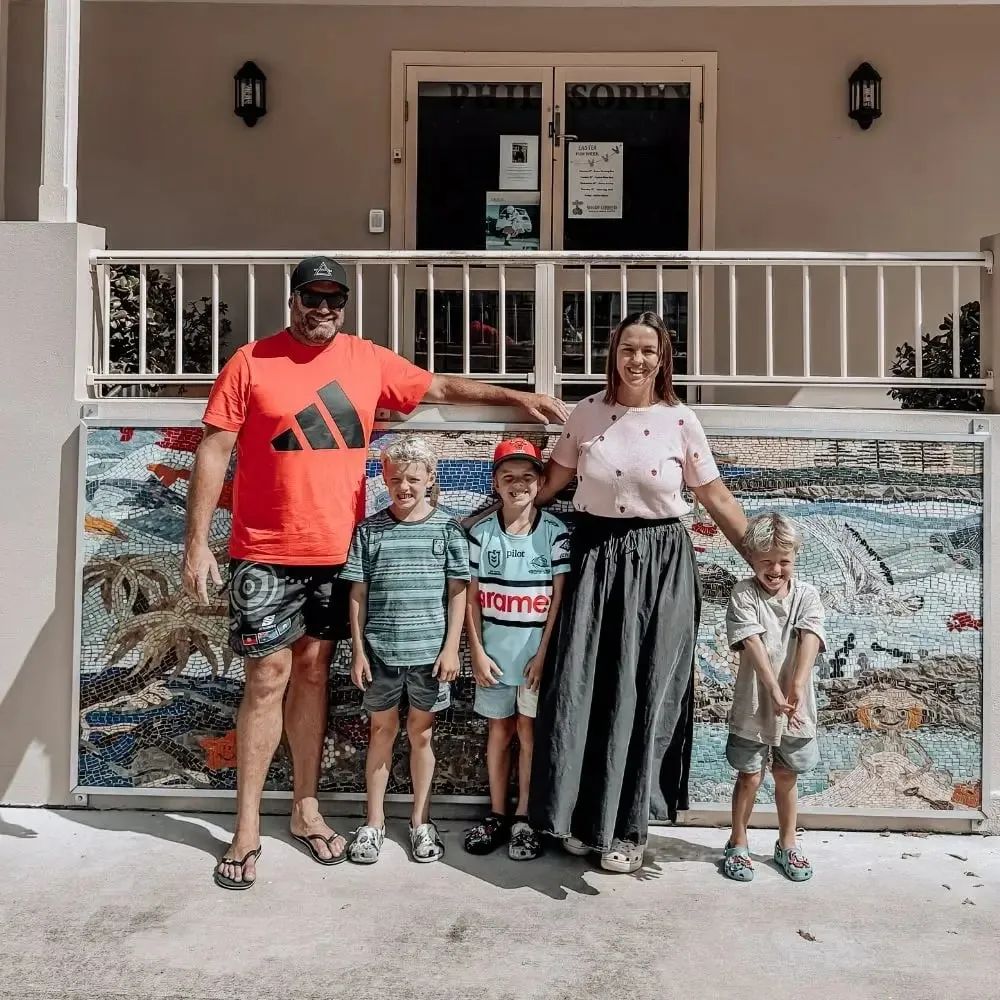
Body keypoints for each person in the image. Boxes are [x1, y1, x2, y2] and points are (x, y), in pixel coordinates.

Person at [180, 255, 566, 890]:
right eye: (312, 297)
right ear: (293, 299)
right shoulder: (250, 362)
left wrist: (515, 396)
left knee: (310, 674)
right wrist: (198, 543)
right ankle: (245, 827)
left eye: (334, 299)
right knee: (266, 678)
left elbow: (440, 388)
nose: (323, 309)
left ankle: (305, 808)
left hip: (339, 552)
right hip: (264, 548)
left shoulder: (367, 360)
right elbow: (215, 448)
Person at [528, 310, 749, 874]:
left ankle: (630, 828)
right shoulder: (586, 413)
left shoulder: (681, 421)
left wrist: (764, 559)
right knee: (586, 685)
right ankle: (580, 821)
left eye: (649, 350)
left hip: (661, 566)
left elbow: (717, 499)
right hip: (596, 559)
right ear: (613, 353)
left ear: (663, 358)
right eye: (629, 348)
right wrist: (490, 518)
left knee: (648, 689)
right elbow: (550, 485)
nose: (638, 360)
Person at [342, 435, 469, 865]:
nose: (404, 487)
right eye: (395, 478)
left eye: (414, 478)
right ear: (384, 478)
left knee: (422, 734)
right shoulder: (370, 531)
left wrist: (452, 649)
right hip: (381, 654)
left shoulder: (448, 528)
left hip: (429, 657)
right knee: (381, 732)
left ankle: (420, 821)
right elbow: (357, 594)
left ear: (431, 478)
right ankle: (373, 822)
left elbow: (457, 592)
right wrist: (358, 651)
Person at [463, 438, 570, 861]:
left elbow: (558, 599)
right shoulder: (480, 534)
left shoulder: (555, 534)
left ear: (541, 481)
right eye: (508, 477)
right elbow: (469, 598)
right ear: (495, 483)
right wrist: (476, 651)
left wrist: (543, 655)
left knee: (528, 733)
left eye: (528, 476)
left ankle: (525, 817)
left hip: (532, 664)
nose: (518, 484)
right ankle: (496, 814)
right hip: (494, 659)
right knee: (499, 731)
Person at [722, 512, 825, 883]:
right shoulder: (743, 593)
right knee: (749, 774)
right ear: (752, 559)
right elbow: (753, 644)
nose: (776, 569)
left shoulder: (807, 595)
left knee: (786, 774)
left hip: (797, 706)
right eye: (766, 561)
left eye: (784, 561)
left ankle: (788, 843)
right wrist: (775, 690)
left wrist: (796, 685)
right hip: (755, 700)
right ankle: (737, 841)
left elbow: (810, 635)